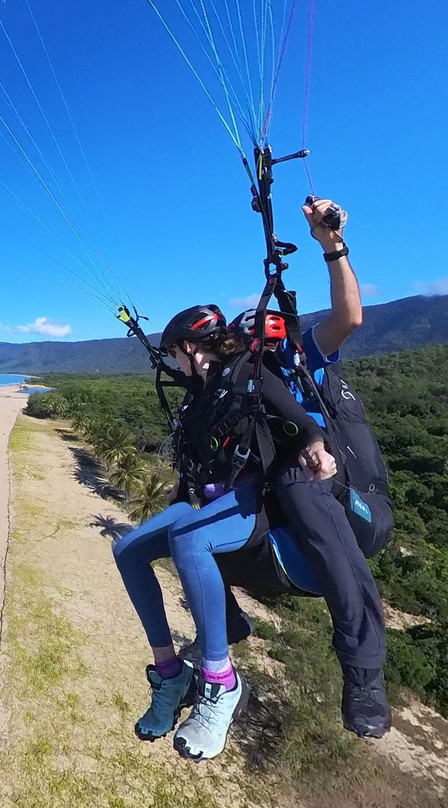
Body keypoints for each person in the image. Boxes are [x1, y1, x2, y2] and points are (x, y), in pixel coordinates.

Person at [112, 303, 336, 760]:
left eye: (175, 352)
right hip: (208, 502)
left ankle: (220, 680)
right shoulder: (201, 394)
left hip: (248, 500)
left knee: (190, 540)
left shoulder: (247, 376)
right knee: (127, 550)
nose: (174, 362)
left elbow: (301, 422)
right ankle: (170, 672)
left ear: (190, 347)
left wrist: (316, 449)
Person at [226, 197, 391, 739]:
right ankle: (221, 644)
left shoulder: (304, 359)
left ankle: (363, 670)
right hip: (283, 493)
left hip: (336, 484)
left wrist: (331, 245)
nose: (262, 349)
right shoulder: (243, 385)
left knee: (299, 474)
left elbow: (350, 318)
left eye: (268, 341)